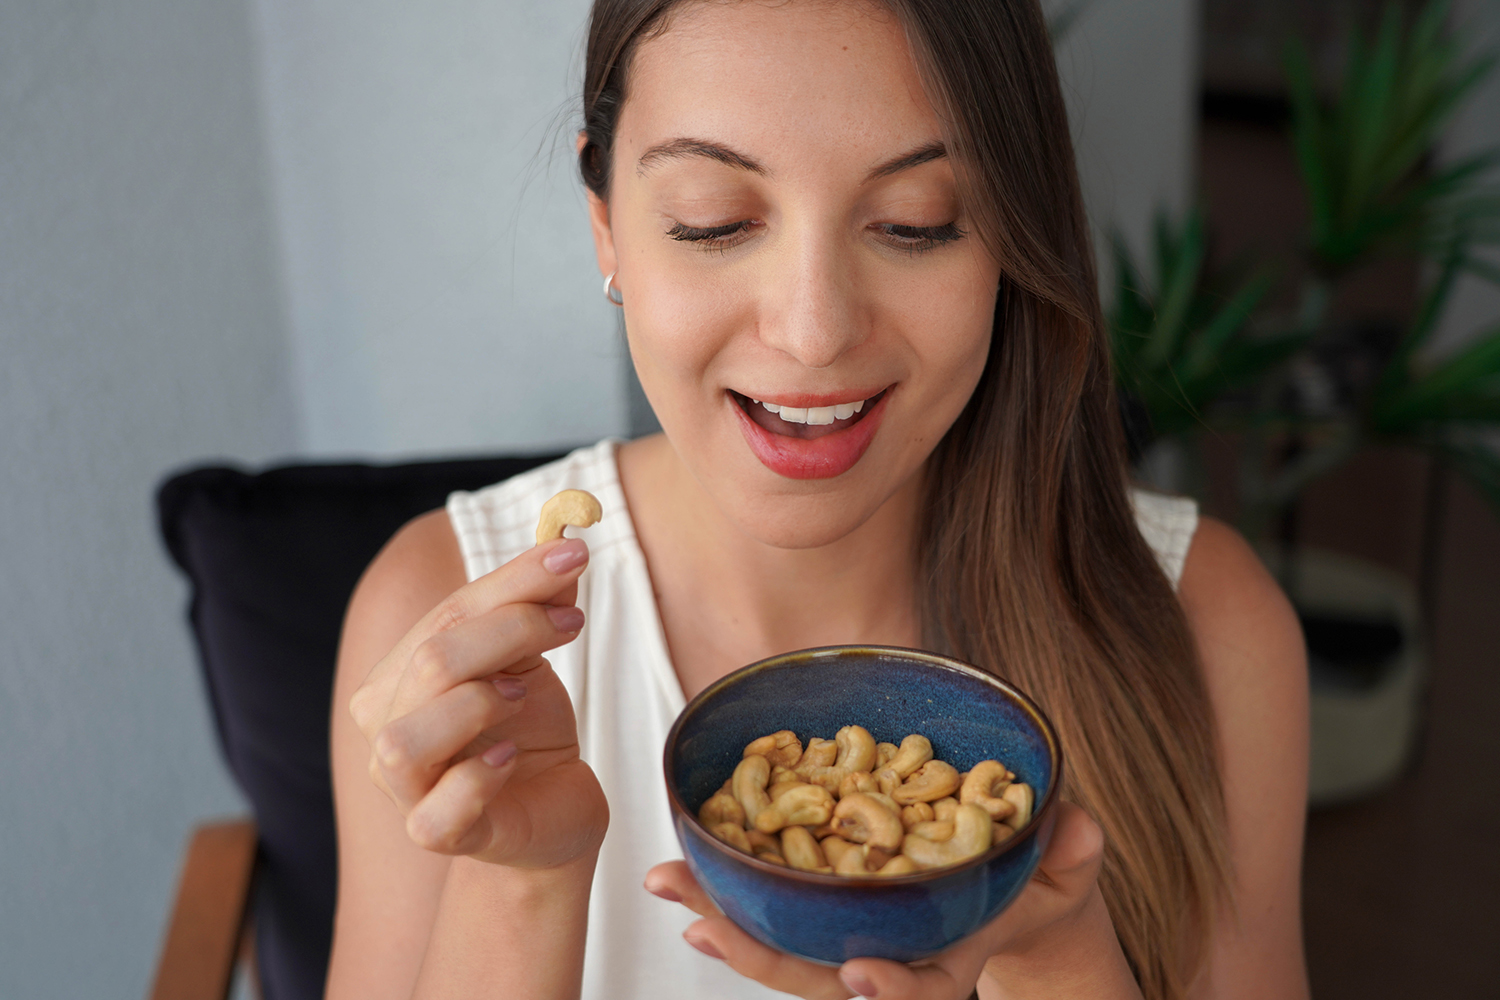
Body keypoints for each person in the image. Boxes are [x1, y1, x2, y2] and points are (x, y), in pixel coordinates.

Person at [325, 1, 1310, 998]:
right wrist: (523, 887)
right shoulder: (442, 626)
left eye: (914, 221)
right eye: (713, 219)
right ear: (607, 225)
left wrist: (1054, 954)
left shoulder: (1208, 625)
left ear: (1013, 233)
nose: (814, 330)